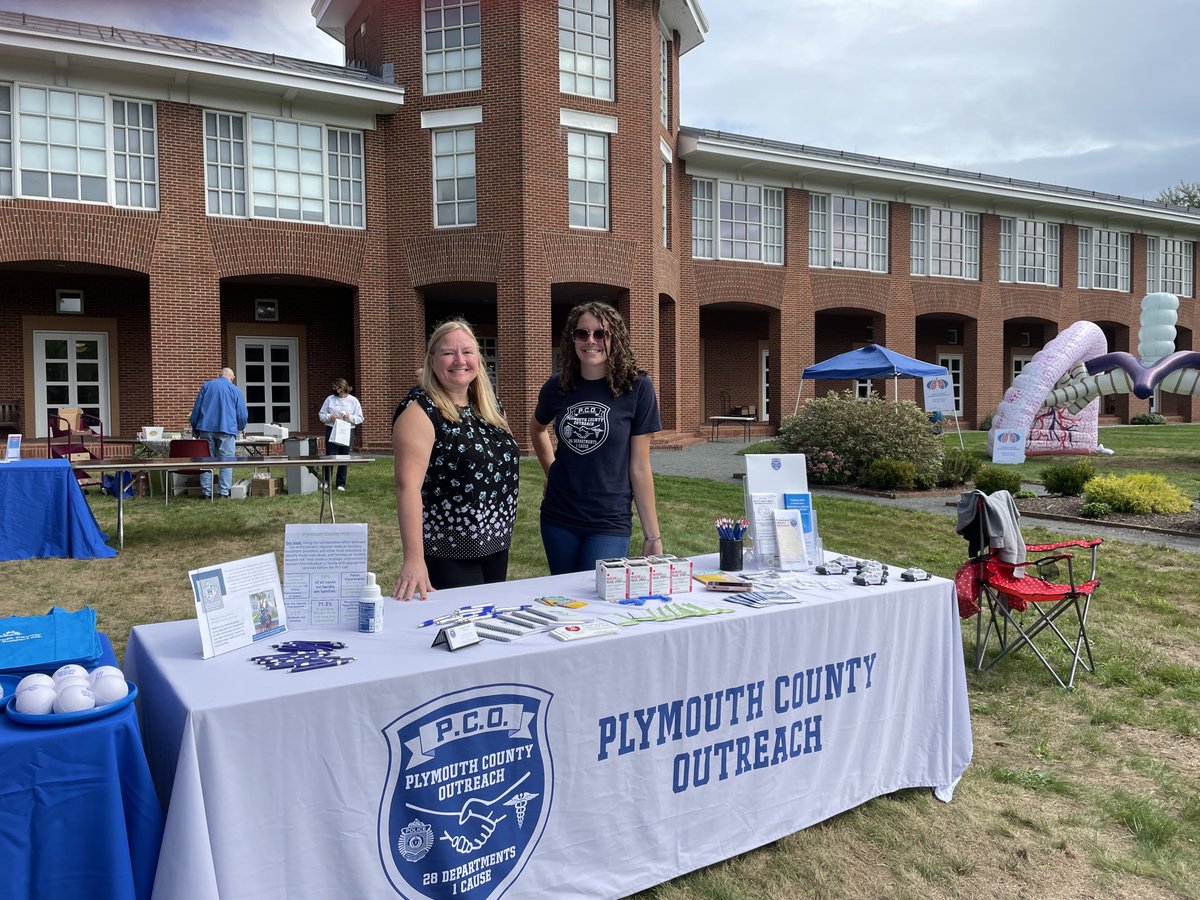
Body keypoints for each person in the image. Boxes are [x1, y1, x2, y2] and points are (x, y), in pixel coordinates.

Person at [531, 300, 664, 575]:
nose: (591, 341)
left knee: (599, 593)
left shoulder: (637, 388)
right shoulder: (557, 386)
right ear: (573, 340)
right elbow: (537, 428)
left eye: (600, 333)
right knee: (563, 595)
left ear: (615, 339)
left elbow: (639, 466)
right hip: (558, 517)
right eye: (582, 333)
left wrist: (652, 535)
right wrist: (551, 470)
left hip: (609, 521)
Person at [392, 320, 519, 600]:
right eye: (448, 353)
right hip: (448, 550)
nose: (460, 360)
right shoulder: (420, 412)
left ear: (478, 359)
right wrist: (414, 559)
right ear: (432, 361)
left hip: (495, 544)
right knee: (463, 622)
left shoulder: (490, 408)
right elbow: (407, 488)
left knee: (488, 618)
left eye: (467, 352)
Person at [189, 367, 248, 499]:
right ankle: (223, 492)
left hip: (206, 428)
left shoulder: (207, 386)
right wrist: (240, 427)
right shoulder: (235, 389)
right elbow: (242, 414)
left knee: (206, 461)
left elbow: (196, 409)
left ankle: (207, 493)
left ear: (219, 375)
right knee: (226, 461)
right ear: (232, 378)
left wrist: (195, 427)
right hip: (227, 429)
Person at [318, 377, 364, 491]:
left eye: (335, 387)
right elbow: (321, 415)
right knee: (330, 455)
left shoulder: (353, 401)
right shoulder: (330, 399)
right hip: (332, 428)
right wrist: (330, 417)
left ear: (342, 388)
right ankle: (326, 481)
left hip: (347, 429)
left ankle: (341, 483)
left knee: (344, 455)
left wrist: (349, 417)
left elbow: (360, 418)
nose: (333, 389)